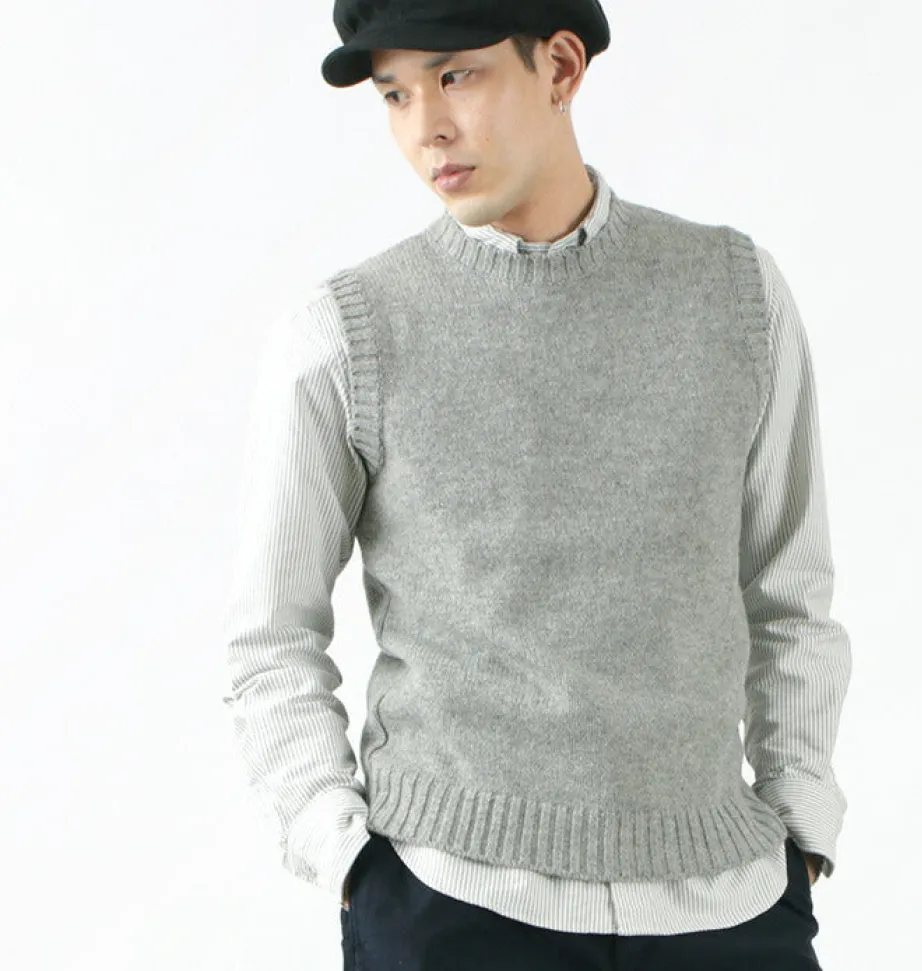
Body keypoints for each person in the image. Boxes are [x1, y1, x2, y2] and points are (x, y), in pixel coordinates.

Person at [221, 1, 851, 968]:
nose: (426, 127)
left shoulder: (734, 294)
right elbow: (270, 639)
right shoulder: (349, 333)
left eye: (455, 76)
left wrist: (800, 825)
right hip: (450, 901)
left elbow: (789, 591)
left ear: (559, 68)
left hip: (727, 905)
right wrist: (346, 859)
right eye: (395, 95)